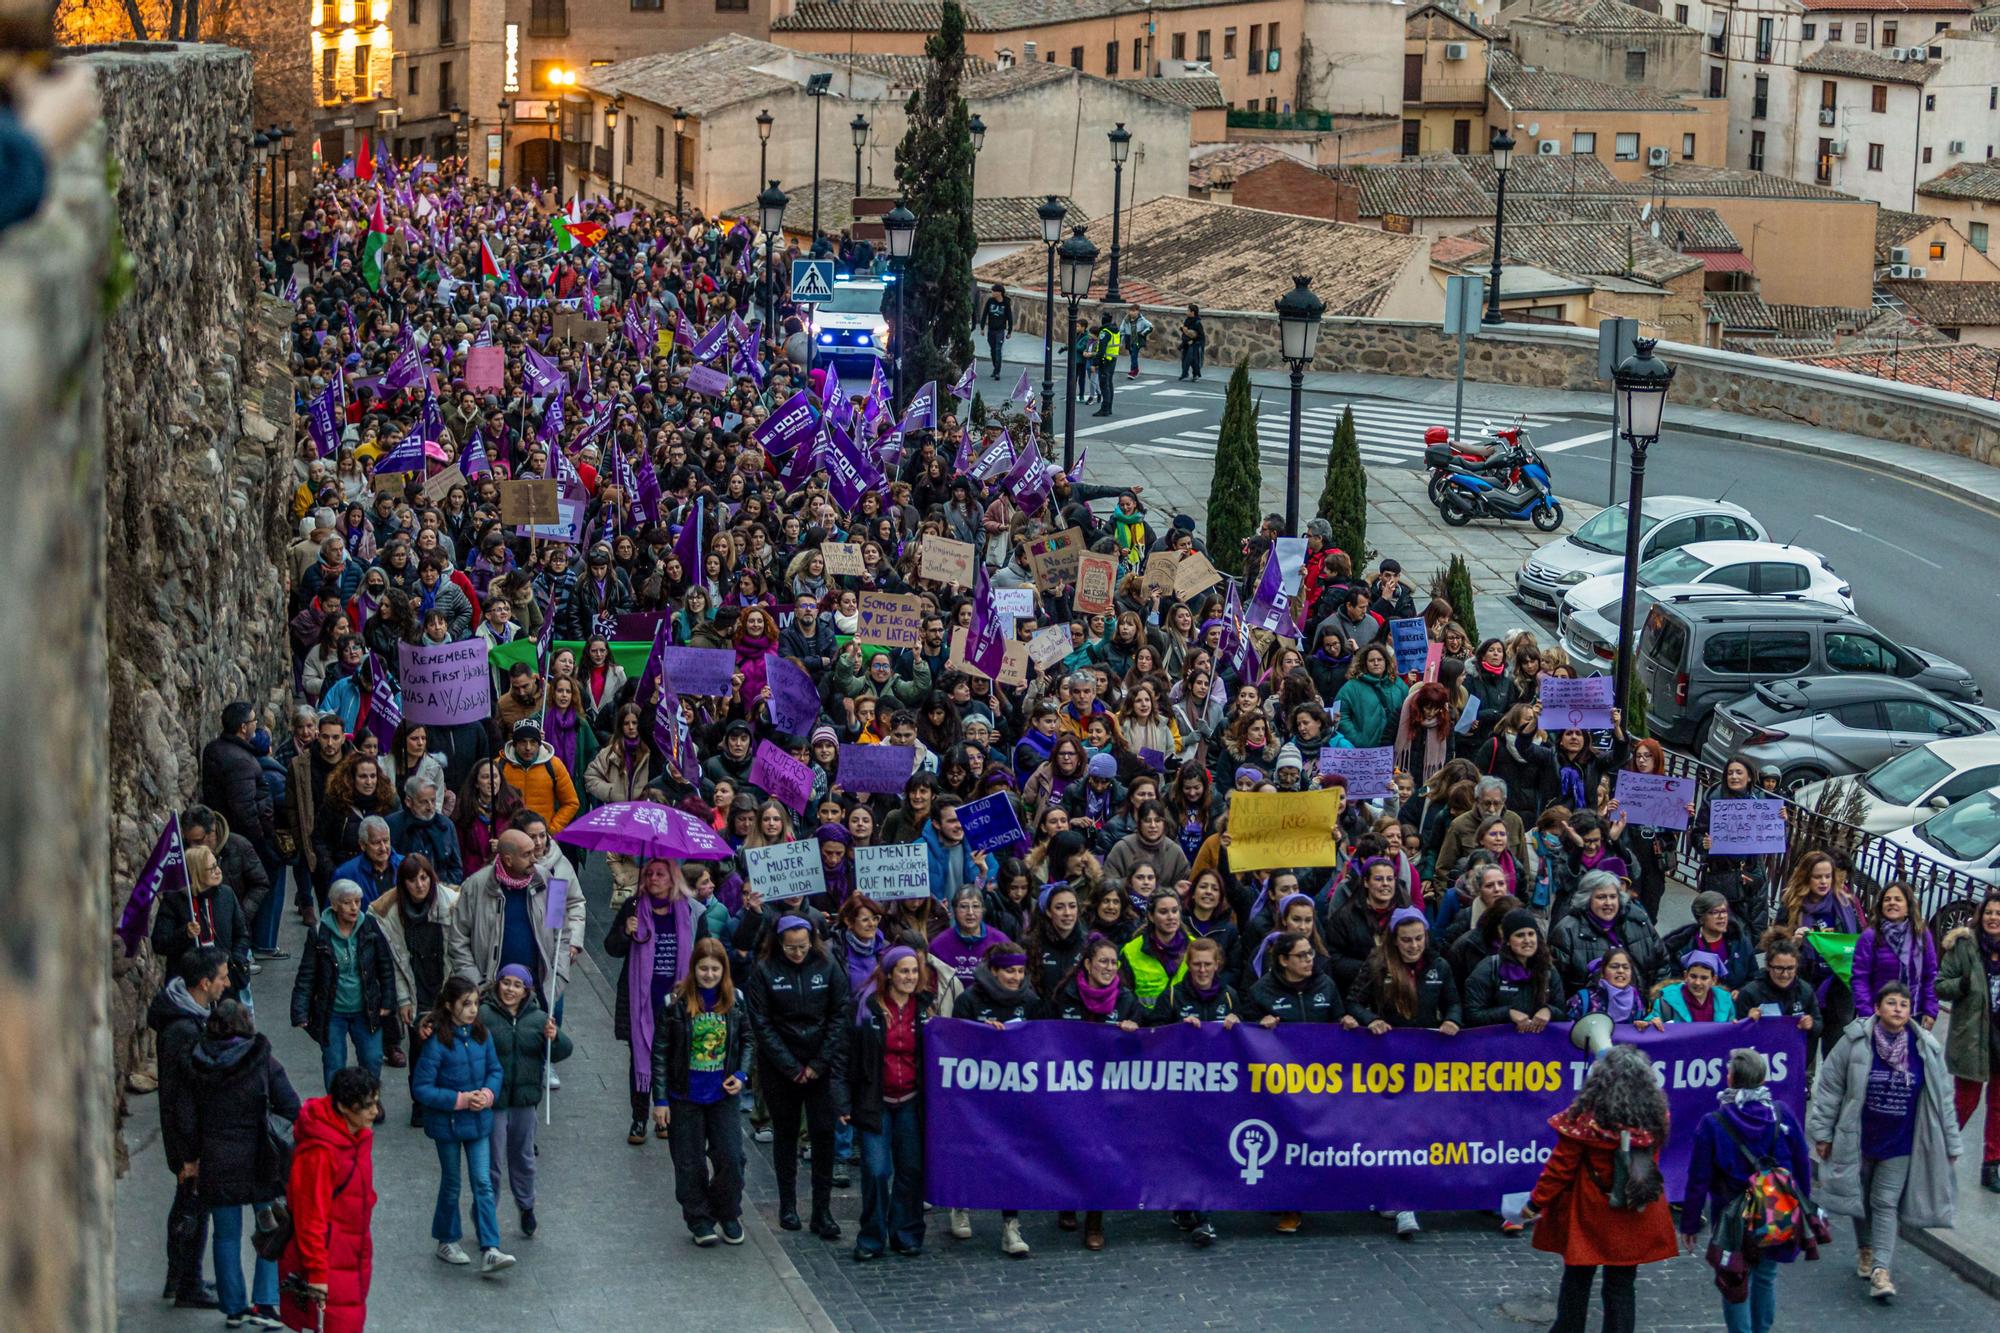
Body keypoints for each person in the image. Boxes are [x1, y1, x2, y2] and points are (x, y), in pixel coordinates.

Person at [1807, 979, 1962, 1301]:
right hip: (1858, 1139)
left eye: (1904, 1005)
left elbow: (1943, 1098)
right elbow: (1831, 1088)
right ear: (1877, 1008)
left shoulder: (1925, 1049)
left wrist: (1952, 1143)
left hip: (1901, 1142)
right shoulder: (1854, 1042)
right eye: (1891, 1003)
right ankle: (1865, 1249)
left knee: (1885, 1202)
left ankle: (1881, 1270)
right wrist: (1822, 1133)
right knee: (1861, 1198)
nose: (1898, 1010)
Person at [1522, 1045, 1679, 1333]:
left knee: (1577, 1280)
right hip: (1635, 1210)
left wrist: (1535, 1203)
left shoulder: (1583, 1121)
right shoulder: (1656, 1118)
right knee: (1621, 1285)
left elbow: (1560, 1169)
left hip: (1591, 1211)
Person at [171, 999, 299, 1330]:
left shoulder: (196, 1063)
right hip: (260, 1160)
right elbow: (291, 1106)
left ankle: (234, 1307)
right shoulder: (263, 1060)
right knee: (270, 1227)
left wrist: (191, 1155)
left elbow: (185, 1115)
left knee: (225, 1235)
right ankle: (267, 1303)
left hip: (217, 1159)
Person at [1678, 1048, 1818, 1333]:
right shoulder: (1782, 1114)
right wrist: (1805, 1210)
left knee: (1734, 1278)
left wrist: (1690, 1223)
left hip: (1733, 1216)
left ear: (1730, 1079)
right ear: (1762, 1077)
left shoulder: (1714, 1123)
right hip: (1776, 1210)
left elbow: (1698, 1178)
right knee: (1766, 1275)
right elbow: (1802, 1162)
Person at [1345, 907, 1461, 1240]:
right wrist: (1370, 1020)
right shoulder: (1378, 965)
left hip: (1425, 1063)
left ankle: (1406, 1199)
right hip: (1386, 1060)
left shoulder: (1439, 967)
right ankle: (1391, 1194)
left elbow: (1453, 1002)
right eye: (1406, 940)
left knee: (1417, 1132)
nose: (1413, 946)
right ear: (1395, 941)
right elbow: (1353, 1002)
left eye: (1418, 939)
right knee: (1389, 1133)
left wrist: (1452, 1019)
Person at [744, 916, 850, 1239]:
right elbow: (760, 1023)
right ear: (779, 943)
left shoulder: (828, 964)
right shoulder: (764, 970)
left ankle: (822, 1209)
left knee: (823, 1135)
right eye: (790, 947)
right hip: (781, 1065)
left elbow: (839, 1013)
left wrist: (818, 1063)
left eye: (802, 946)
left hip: (820, 1062)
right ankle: (787, 1204)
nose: (797, 953)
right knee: (785, 1135)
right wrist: (791, 1066)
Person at [841, 944, 940, 1262]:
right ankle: (871, 1237)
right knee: (877, 1170)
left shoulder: (925, 1009)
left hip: (911, 1101)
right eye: (904, 971)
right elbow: (845, 1057)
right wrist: (842, 1102)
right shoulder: (866, 1008)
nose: (910, 977)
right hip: (875, 1101)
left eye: (914, 971)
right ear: (889, 974)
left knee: (910, 1170)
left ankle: (906, 1233)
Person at [410, 976, 514, 1276]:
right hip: (448, 1124)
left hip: (478, 1121)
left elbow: (495, 1068)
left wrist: (488, 1094)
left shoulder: (482, 1035)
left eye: (475, 1004)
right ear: (449, 1005)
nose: (472, 1010)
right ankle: (446, 1238)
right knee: (452, 1182)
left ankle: (490, 1247)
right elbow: (422, 1087)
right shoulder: (436, 1043)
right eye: (466, 1004)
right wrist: (461, 1099)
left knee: (483, 1182)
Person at [651, 938, 752, 1246]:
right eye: (703, 968)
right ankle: (698, 1217)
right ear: (694, 968)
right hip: (685, 1097)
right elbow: (660, 1052)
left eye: (715, 969)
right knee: (689, 1162)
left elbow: (747, 1039)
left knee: (732, 1158)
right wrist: (660, 1100)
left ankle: (728, 1212)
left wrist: (741, 1074)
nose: (709, 974)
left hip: (722, 1096)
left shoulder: (735, 1000)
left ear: (724, 971)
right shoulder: (675, 1003)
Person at [149, 945, 232, 1310]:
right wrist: (188, 1154)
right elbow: (179, 1096)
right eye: (222, 977)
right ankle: (187, 1283)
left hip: (190, 1134)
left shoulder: (190, 1015)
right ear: (203, 982)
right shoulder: (183, 1029)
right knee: (193, 1208)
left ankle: (180, 1277)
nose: (227, 983)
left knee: (189, 1205)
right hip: (189, 1139)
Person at [606, 858, 709, 1145]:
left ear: (672, 877)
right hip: (640, 998)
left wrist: (692, 983)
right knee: (640, 1057)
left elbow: (705, 950)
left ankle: (666, 1117)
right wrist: (626, 931)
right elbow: (611, 948)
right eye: (649, 873)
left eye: (660, 874)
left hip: (677, 997)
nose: (653, 879)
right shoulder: (634, 906)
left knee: (675, 1058)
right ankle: (639, 1118)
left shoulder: (690, 910)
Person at [947, 943, 1037, 1256]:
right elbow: (952, 1044)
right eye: (1009, 970)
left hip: (1015, 1093)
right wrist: (979, 1034)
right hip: (977, 1094)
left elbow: (1044, 1042)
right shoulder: (969, 1000)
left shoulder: (1030, 1000)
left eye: (1020, 970)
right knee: (971, 1150)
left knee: (1011, 1156)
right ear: (994, 970)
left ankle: (1010, 1226)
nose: (1016, 977)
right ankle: (961, 1202)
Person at [277, 1066, 381, 1333]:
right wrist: (318, 1274)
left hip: (351, 1254)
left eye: (376, 1103)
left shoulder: (357, 1137)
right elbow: (310, 1217)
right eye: (367, 1106)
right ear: (345, 1108)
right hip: (329, 1261)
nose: (375, 1112)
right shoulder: (320, 1152)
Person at [480, 964, 572, 1239]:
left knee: (523, 1158)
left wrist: (554, 1039)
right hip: (494, 1101)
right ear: (497, 985)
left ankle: (526, 1205)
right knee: (492, 1161)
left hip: (524, 1101)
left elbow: (563, 1051)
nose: (510, 989)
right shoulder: (483, 1016)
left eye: (516, 985)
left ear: (525, 991)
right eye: (505, 983)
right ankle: (486, 1213)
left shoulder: (539, 1018)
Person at [290, 880, 397, 1094]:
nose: (354, 907)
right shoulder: (319, 933)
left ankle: (369, 1101)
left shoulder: (370, 927)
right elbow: (307, 974)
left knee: (372, 1058)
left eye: (357, 902)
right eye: (347, 903)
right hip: (333, 1011)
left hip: (365, 1009)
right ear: (335, 905)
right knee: (334, 1063)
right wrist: (299, 1011)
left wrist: (388, 1000)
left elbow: (385, 966)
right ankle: (335, 1112)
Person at [1935, 890, 2000, 1192]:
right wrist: (1962, 984)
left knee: (1999, 1106)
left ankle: (1992, 1165)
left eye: (1998, 914)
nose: (1993, 918)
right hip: (1973, 1037)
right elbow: (1940, 985)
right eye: (1989, 913)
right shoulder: (1964, 946)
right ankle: (1937, 1154)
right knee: (1965, 1102)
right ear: (1980, 915)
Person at [1851, 880, 1939, 1028]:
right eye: (1887, 899)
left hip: (1914, 1015)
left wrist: (1931, 1010)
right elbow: (1860, 978)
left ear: (1908, 907)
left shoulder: (1921, 935)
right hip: (1878, 1016)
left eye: (1898, 899)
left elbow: (1930, 975)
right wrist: (1866, 1013)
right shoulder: (1870, 937)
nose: (1892, 903)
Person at [981, 283, 1012, 378]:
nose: (992, 293)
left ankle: (997, 372)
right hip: (991, 330)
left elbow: (1009, 317)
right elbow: (984, 314)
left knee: (998, 350)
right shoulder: (990, 301)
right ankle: (995, 368)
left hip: (1000, 330)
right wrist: (982, 328)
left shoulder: (1006, 303)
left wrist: (1009, 331)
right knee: (993, 351)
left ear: (999, 293)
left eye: (994, 291)